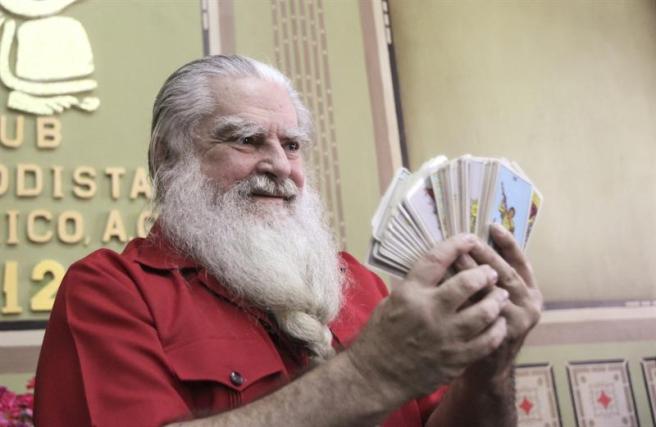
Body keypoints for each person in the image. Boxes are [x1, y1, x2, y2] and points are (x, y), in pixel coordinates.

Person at [34, 55, 542, 427]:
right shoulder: (109, 290)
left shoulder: (357, 282)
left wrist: (490, 368)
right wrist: (370, 373)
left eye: (292, 144)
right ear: (168, 157)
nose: (280, 165)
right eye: (246, 139)